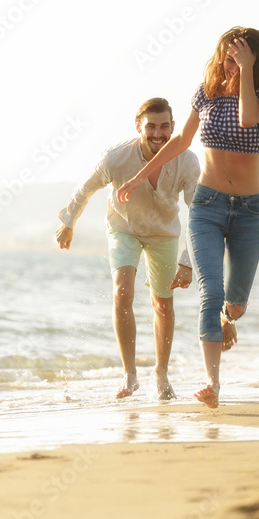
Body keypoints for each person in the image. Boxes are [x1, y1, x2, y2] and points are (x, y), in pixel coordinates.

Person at [116, 27, 259, 408]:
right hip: (207, 206)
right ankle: (212, 383)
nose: (231, 64)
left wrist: (246, 70)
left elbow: (247, 119)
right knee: (209, 293)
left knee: (234, 304)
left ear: (254, 62)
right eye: (228, 56)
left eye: (240, 58)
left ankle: (230, 318)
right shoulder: (206, 93)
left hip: (249, 212)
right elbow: (181, 141)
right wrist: (139, 175)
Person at [55, 98, 200, 400]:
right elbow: (85, 188)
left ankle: (161, 373)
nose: (158, 133)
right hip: (124, 228)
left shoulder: (186, 161)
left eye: (164, 127)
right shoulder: (117, 158)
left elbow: (199, 213)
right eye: (151, 127)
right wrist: (69, 222)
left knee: (163, 303)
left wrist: (188, 260)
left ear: (174, 127)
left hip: (164, 234)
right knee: (123, 291)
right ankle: (129, 373)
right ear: (139, 127)